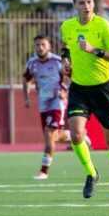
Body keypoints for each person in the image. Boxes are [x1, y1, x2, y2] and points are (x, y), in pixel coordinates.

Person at [60, 0, 109, 200]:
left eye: (89, 2)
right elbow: (66, 48)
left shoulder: (103, 26)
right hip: (79, 88)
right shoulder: (67, 26)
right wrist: (66, 62)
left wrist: (93, 50)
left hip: (102, 89)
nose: (86, 6)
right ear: (75, 5)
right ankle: (91, 173)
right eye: (81, 3)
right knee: (76, 134)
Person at [23, 35, 72, 179]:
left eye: (43, 44)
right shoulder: (32, 63)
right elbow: (26, 80)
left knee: (50, 135)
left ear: (49, 46)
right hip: (43, 104)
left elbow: (71, 77)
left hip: (57, 103)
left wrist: (64, 91)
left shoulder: (57, 62)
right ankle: (75, 135)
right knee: (54, 137)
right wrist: (26, 97)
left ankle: (44, 171)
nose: (40, 47)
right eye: (37, 45)